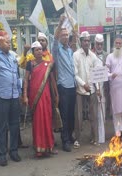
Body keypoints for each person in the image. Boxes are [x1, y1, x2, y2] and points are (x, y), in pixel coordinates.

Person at [0, 30, 22, 166]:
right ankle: (1, 154)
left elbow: (16, 74)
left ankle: (13, 151)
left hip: (14, 95)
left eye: (9, 42)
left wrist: (19, 92)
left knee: (14, 125)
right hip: (1, 96)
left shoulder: (13, 55)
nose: (9, 44)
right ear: (0, 43)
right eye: (6, 42)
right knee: (1, 126)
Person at [22, 41, 58, 157]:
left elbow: (52, 81)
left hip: (46, 96)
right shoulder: (30, 64)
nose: (39, 51)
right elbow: (26, 80)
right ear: (32, 52)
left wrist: (56, 95)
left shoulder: (49, 64)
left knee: (47, 120)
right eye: (36, 49)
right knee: (38, 122)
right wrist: (25, 95)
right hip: (35, 97)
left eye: (40, 49)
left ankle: (49, 146)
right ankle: (39, 148)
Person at [52, 15, 76, 152]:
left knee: (72, 114)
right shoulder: (57, 50)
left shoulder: (70, 51)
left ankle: (70, 135)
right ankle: (65, 140)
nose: (66, 37)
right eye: (63, 35)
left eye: (67, 35)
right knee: (65, 115)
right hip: (63, 87)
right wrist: (60, 23)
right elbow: (54, 40)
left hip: (72, 86)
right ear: (60, 37)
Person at [73, 31, 99, 147]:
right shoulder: (76, 55)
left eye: (88, 40)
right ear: (81, 42)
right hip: (80, 90)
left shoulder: (93, 56)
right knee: (78, 116)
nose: (86, 42)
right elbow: (75, 74)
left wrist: (97, 88)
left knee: (93, 115)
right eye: (84, 40)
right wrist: (83, 84)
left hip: (92, 90)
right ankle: (77, 139)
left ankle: (94, 138)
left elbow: (96, 74)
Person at [93, 34, 108, 144]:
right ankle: (94, 136)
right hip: (93, 87)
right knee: (94, 113)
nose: (99, 46)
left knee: (102, 112)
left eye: (101, 44)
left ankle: (102, 137)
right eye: (97, 44)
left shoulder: (106, 55)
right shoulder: (91, 54)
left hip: (103, 87)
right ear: (95, 44)